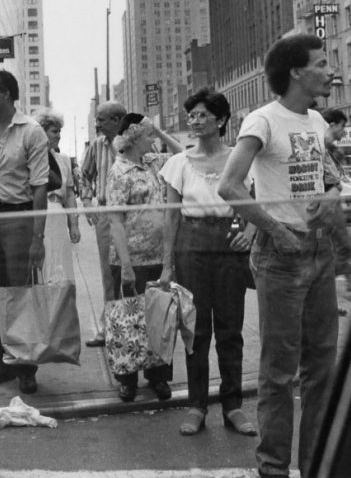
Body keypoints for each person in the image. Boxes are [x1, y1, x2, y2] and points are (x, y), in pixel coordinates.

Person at [218, 34, 340, 478]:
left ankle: (315, 464)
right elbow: (229, 185)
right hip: (282, 255)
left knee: (322, 368)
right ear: (295, 72)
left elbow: (329, 178)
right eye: (321, 63)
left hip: (319, 251)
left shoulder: (318, 121)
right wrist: (274, 229)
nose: (330, 71)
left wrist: (330, 196)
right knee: (279, 371)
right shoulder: (262, 120)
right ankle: (273, 467)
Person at [159, 88, 256, 437]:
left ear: (221, 119)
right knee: (196, 331)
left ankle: (233, 406)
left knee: (230, 330)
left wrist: (250, 232)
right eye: (192, 116)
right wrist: (167, 264)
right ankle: (197, 405)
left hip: (230, 244)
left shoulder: (240, 160)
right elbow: (171, 217)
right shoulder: (178, 163)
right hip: (191, 247)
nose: (195, 121)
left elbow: (256, 202)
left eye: (203, 115)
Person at [0, 69, 49, 395]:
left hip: (19, 220)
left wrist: (38, 238)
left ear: (6, 94)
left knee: (20, 296)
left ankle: (26, 368)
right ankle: (2, 362)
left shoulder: (32, 131)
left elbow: (40, 187)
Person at [105, 113, 182, 403]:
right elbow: (115, 221)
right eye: (149, 135)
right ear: (134, 138)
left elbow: (183, 154)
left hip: (159, 256)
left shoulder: (153, 162)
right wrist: (125, 266)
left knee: (159, 318)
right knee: (128, 320)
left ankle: (158, 376)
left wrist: (158, 131)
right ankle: (127, 379)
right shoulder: (119, 171)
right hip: (131, 259)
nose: (153, 139)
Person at [79, 102, 126, 346]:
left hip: (134, 217)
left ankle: (135, 329)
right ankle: (110, 329)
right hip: (106, 216)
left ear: (117, 121)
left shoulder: (136, 142)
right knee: (110, 273)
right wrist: (87, 202)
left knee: (135, 273)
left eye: (101, 120)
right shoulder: (97, 146)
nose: (97, 124)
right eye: (96, 119)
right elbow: (85, 176)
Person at [34, 109, 80, 282]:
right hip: (38, 215)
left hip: (58, 214)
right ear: (42, 132)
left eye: (59, 131)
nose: (58, 136)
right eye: (54, 131)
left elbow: (70, 194)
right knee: (41, 264)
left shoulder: (64, 159)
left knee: (59, 265)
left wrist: (74, 224)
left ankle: (59, 297)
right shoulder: (31, 158)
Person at [321, 107, 351, 294]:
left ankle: (346, 280)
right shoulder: (324, 145)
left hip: (330, 200)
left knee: (341, 244)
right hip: (328, 201)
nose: (344, 131)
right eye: (342, 126)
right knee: (343, 245)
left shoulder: (329, 147)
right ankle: (320, 282)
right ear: (333, 125)